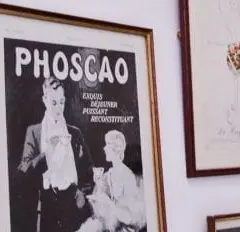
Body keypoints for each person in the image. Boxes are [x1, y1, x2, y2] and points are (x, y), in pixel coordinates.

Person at [17, 77, 93, 232]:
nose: (59, 108)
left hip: (73, 208)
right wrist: (46, 154)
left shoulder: (75, 133)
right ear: (45, 99)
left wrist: (82, 194)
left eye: (61, 102)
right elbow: (23, 170)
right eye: (54, 103)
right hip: (47, 208)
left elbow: (89, 170)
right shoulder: (34, 132)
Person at [79, 130, 145, 232]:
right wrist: (97, 198)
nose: (104, 148)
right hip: (109, 227)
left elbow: (131, 219)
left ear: (117, 148)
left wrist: (109, 204)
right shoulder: (107, 175)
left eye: (108, 144)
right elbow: (99, 214)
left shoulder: (128, 176)